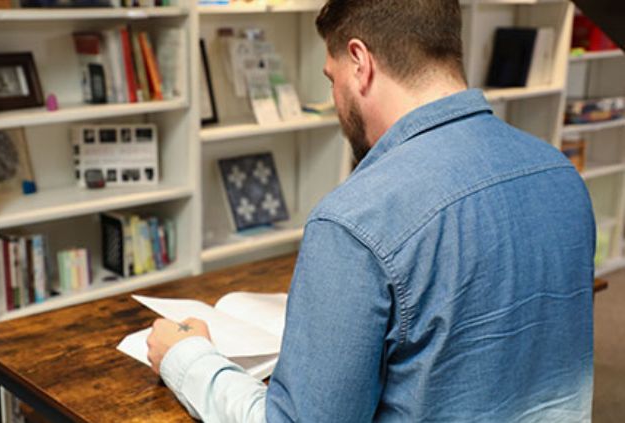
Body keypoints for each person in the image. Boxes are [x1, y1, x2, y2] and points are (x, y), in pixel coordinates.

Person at [146, 0, 595, 421]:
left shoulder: (356, 220)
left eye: (330, 78)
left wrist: (188, 359)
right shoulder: (560, 173)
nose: (335, 95)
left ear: (360, 63)